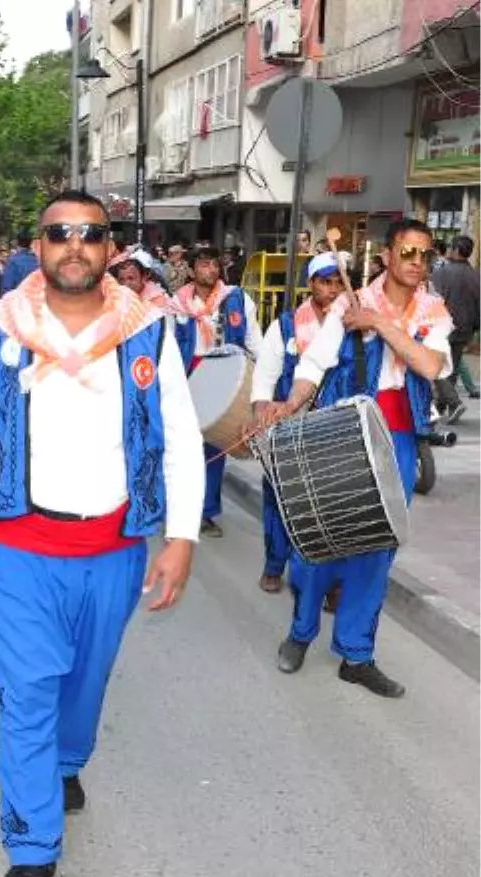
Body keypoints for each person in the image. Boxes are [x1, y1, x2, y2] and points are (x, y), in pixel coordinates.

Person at [0, 191, 204, 877]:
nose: (74, 246)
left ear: (111, 247)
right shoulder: (0, 326)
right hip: (18, 547)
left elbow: (178, 436)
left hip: (113, 548)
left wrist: (181, 538)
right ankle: (32, 845)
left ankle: (69, 763)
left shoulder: (149, 332)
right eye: (59, 234)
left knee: (84, 684)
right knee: (27, 695)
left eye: (90, 234)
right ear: (38, 246)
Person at [271, 218, 454, 698]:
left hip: (398, 436)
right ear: (387, 258)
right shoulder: (349, 305)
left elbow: (430, 364)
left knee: (377, 548)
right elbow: (314, 364)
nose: (416, 263)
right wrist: (290, 403)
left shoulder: (433, 310)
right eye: (407, 253)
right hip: (345, 434)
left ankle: (356, 653)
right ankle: (301, 633)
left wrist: (378, 324)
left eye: (424, 254)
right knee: (323, 540)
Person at [249, 253, 342, 593]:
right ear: (311, 284)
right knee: (280, 500)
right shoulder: (285, 326)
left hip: (334, 429)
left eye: (337, 282)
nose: (332, 290)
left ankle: (330, 582)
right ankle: (274, 564)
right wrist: (263, 415)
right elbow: (264, 378)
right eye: (324, 282)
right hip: (289, 428)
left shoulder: (354, 325)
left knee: (333, 504)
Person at [170, 242, 263, 537]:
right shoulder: (177, 303)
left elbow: (253, 340)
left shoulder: (236, 299)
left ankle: (207, 512)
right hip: (189, 374)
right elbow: (169, 348)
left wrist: (262, 380)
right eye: (203, 264)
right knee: (183, 447)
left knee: (214, 448)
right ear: (192, 268)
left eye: (214, 264)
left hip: (225, 374)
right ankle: (180, 510)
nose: (210, 270)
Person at [430, 235, 481, 423]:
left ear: (457, 250)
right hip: (466, 328)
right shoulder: (476, 275)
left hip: (443, 327)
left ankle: (453, 402)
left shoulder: (443, 273)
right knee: (451, 367)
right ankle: (441, 405)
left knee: (435, 368)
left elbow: (432, 300)